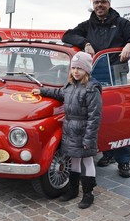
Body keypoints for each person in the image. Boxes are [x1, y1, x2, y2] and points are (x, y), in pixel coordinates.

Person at [61, 0, 130, 178]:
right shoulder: (87, 25)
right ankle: (108, 153)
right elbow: (66, 36)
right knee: (97, 114)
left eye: (103, 3)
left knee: (120, 116)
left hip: (116, 73)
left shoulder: (122, 23)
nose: (99, 6)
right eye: (96, 3)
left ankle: (124, 160)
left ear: (109, 4)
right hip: (94, 74)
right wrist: (85, 42)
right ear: (93, 5)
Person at [32, 51, 102, 209]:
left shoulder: (91, 89)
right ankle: (72, 190)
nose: (76, 71)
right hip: (70, 129)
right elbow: (59, 93)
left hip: (84, 130)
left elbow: (95, 117)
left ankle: (88, 193)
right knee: (74, 160)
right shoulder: (70, 85)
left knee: (87, 161)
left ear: (87, 70)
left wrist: (89, 138)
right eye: (73, 68)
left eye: (80, 68)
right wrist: (42, 91)